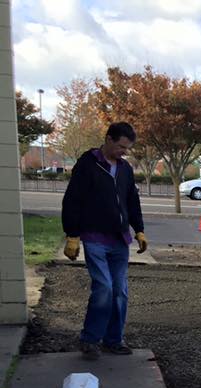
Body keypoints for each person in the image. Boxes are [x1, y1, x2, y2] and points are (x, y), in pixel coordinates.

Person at [62, 122, 148, 359]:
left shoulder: (124, 169)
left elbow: (132, 201)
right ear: (109, 139)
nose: (125, 152)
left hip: (119, 239)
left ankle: (113, 339)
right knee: (104, 288)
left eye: (128, 148)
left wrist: (139, 230)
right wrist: (72, 234)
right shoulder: (88, 165)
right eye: (121, 146)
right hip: (94, 238)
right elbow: (73, 199)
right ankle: (90, 340)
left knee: (120, 291)